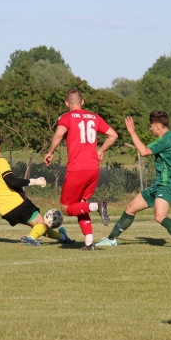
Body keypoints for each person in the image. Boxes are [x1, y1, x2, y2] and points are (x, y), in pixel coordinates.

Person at [96, 111, 171, 249]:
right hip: (158, 185)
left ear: (157, 127)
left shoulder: (164, 140)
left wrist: (132, 132)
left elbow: (144, 152)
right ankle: (111, 239)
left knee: (160, 216)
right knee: (130, 208)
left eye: (151, 126)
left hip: (166, 185)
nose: (150, 129)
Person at [44, 89, 118, 250]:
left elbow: (58, 135)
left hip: (77, 169)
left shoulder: (67, 117)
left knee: (67, 208)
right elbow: (113, 135)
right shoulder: (95, 117)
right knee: (80, 204)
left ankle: (96, 206)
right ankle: (89, 242)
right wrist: (101, 151)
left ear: (66, 103)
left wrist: (50, 152)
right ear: (82, 102)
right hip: (93, 169)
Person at [0, 136, 69, 246]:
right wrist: (35, 181)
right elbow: (12, 181)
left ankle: (63, 238)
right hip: (18, 203)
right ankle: (30, 238)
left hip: (5, 212)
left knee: (38, 226)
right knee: (41, 225)